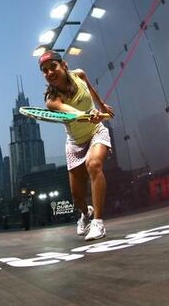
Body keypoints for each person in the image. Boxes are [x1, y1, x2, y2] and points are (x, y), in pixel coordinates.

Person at [38, 50, 114, 241]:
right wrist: (87, 114)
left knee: (94, 164)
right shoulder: (51, 101)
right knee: (77, 198)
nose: (49, 73)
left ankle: (98, 222)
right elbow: (71, 111)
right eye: (44, 70)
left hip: (96, 131)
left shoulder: (79, 73)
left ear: (63, 65)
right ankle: (86, 213)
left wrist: (102, 106)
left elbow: (90, 89)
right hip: (74, 144)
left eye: (52, 67)